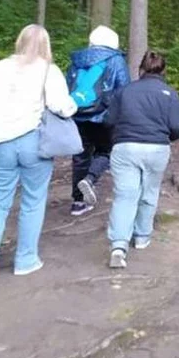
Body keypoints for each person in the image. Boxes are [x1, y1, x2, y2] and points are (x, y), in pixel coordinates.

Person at [0, 25, 78, 287]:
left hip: (0, 144)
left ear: (20, 42)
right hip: (33, 142)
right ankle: (26, 260)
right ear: (47, 45)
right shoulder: (49, 70)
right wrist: (74, 105)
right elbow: (62, 106)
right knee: (33, 200)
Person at [104, 51, 179, 269]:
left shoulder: (125, 91)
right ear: (163, 70)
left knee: (124, 195)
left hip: (125, 147)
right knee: (149, 192)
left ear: (140, 69)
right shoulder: (169, 93)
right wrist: (167, 138)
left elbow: (109, 120)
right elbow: (177, 126)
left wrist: (117, 138)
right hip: (157, 148)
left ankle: (119, 246)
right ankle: (141, 237)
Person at [66, 25, 130, 216]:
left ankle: (78, 202)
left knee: (80, 157)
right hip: (104, 116)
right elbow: (123, 89)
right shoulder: (115, 60)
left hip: (78, 114)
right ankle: (91, 179)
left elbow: (68, 86)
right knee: (107, 151)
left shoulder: (76, 60)